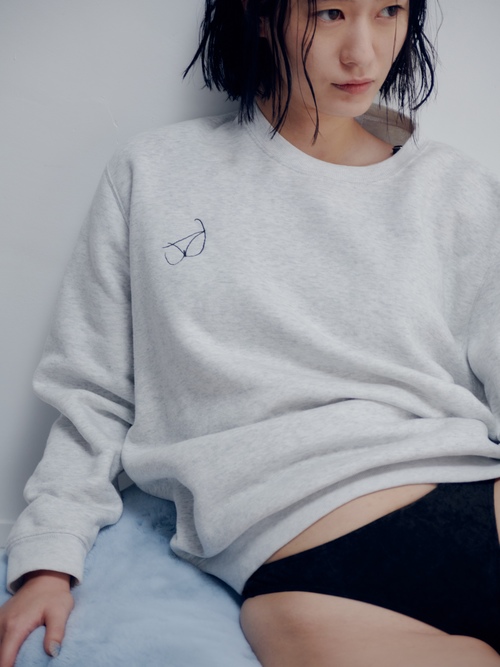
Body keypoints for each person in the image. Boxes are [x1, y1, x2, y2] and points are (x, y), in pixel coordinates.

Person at [1, 0, 500, 665]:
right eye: (329, 13)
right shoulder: (156, 172)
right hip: (304, 568)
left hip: (476, 490)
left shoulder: (455, 188)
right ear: (261, 15)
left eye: (388, 11)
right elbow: (93, 393)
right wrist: (47, 561)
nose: (363, 52)